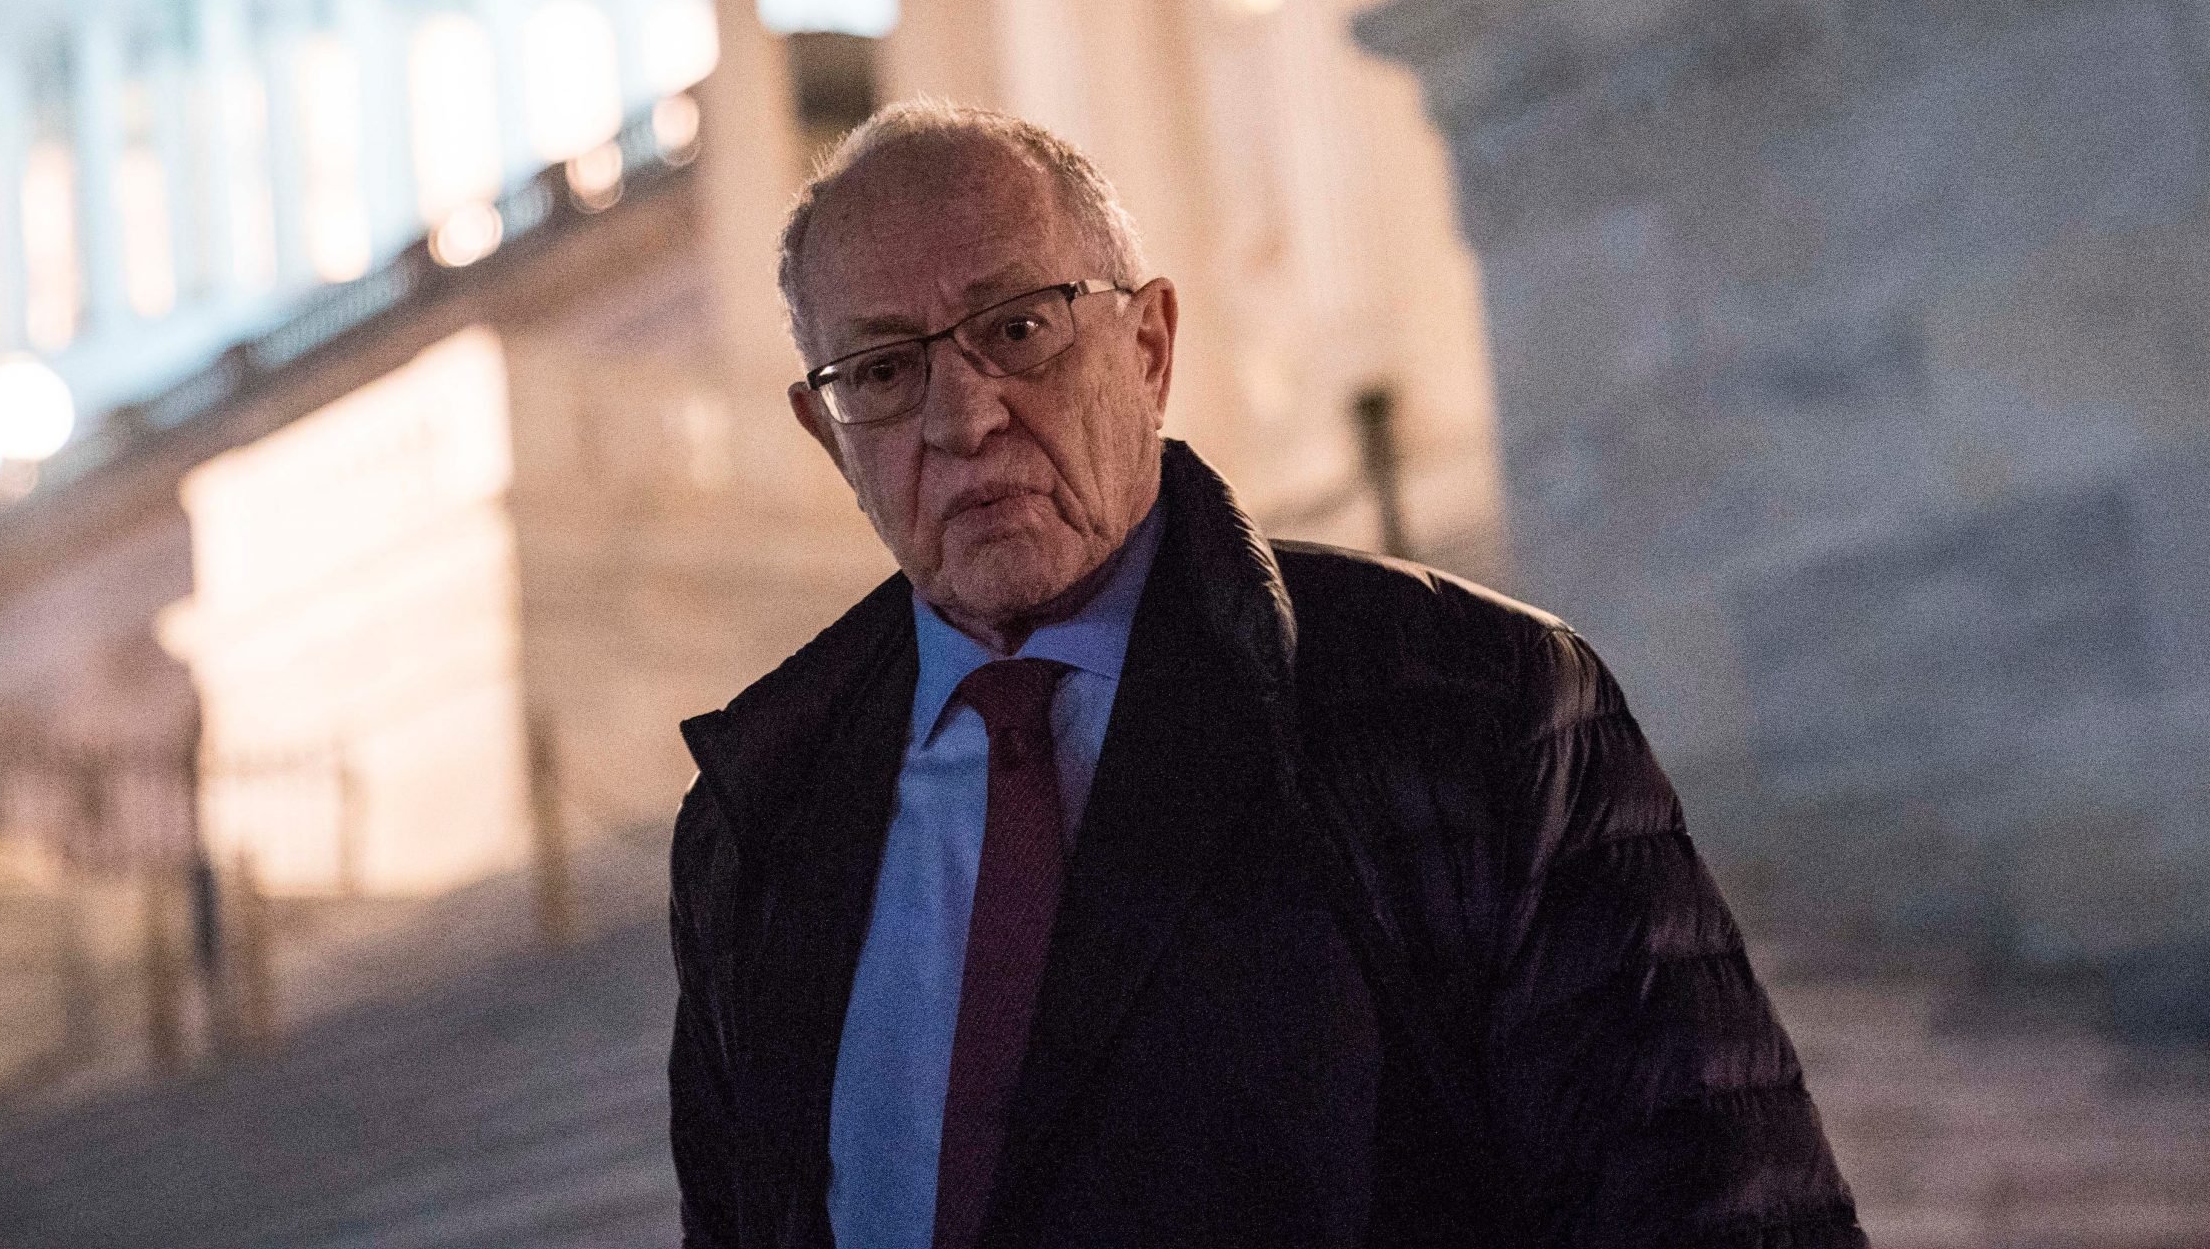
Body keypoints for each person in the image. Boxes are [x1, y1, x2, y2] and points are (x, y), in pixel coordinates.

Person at [666, 101, 1865, 1249]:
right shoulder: (750, 824)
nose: (962, 415)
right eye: (880, 370)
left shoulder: (1485, 709)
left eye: (1017, 327)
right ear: (827, 436)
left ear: (1147, 348)